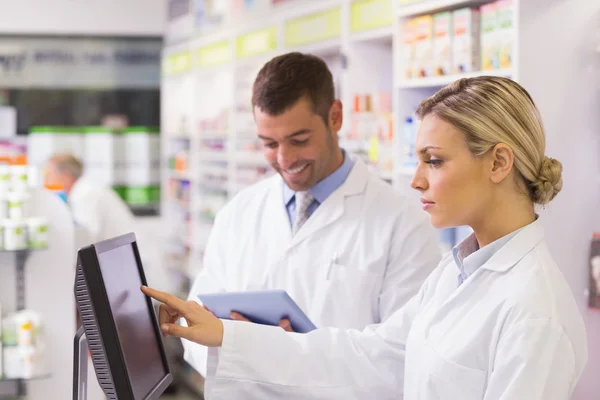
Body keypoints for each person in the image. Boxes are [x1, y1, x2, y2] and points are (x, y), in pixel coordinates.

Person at [142, 76, 589, 400]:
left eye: (434, 161)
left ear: (498, 163)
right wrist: (228, 337)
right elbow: (370, 354)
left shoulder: (535, 314)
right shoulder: (458, 273)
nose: (415, 180)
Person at [181, 52, 442, 376]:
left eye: (299, 140)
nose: (285, 158)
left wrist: (287, 354)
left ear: (335, 117)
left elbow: (402, 355)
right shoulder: (238, 213)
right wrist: (236, 346)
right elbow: (194, 330)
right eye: (269, 143)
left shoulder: (403, 222)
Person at [45, 152, 169, 291]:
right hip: (129, 260)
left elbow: (87, 239)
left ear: (65, 175)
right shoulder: (86, 189)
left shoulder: (84, 194)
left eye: (49, 174)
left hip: (137, 264)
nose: (47, 179)